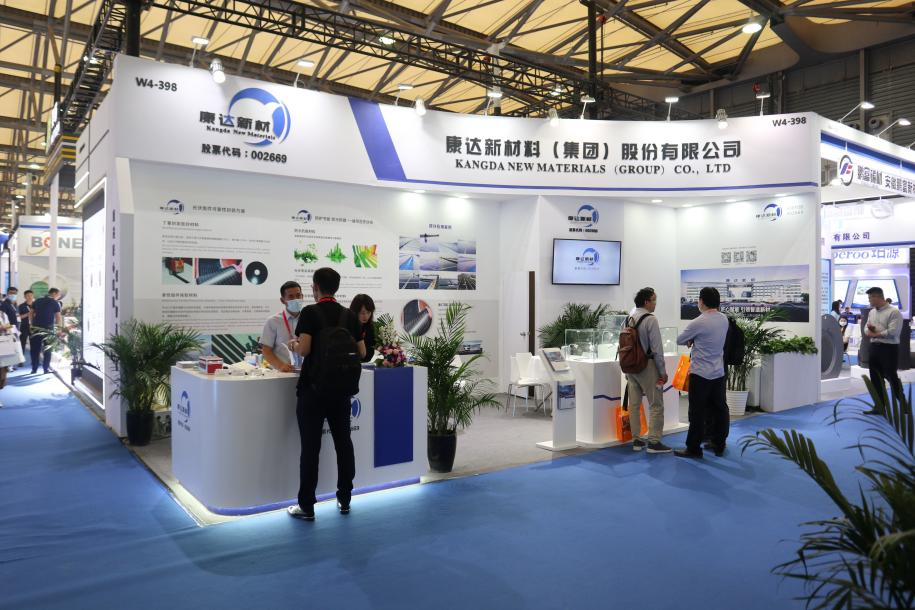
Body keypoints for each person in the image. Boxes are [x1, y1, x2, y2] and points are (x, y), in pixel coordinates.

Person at [288, 268, 366, 521]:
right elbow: (362, 352)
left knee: (311, 448)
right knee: (344, 444)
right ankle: (344, 499)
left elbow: (305, 349)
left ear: (315, 287)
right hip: (341, 391)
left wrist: (294, 345)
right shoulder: (349, 315)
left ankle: (307, 506)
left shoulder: (310, 312)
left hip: (312, 391)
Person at [674, 287, 730, 459]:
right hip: (718, 372)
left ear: (702, 301)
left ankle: (693, 448)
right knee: (720, 409)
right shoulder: (723, 319)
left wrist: (692, 339)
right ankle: (719, 443)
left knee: (697, 412)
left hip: (700, 374)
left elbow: (679, 340)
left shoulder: (699, 322)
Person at [625, 287, 671, 454]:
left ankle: (637, 440)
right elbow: (657, 349)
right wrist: (663, 372)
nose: (655, 304)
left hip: (631, 367)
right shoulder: (650, 319)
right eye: (654, 300)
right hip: (647, 366)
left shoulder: (629, 317)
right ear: (646, 302)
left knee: (634, 405)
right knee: (656, 404)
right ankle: (654, 442)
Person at [863, 286, 903, 412]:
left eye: (870, 298)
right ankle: (879, 407)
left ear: (877, 297)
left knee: (891, 377)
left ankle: (903, 404)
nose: (869, 300)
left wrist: (875, 333)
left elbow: (893, 332)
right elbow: (866, 329)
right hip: (874, 348)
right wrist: (871, 332)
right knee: (875, 378)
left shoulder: (894, 312)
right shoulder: (872, 312)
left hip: (889, 349)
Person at [260, 281, 305, 373]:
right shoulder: (273, 321)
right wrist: (280, 365)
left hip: (306, 372)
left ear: (302, 296)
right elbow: (266, 350)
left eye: (298, 295)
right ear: (282, 300)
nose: (296, 299)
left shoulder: (309, 319)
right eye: (291, 297)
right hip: (282, 373)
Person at [30, 288, 62, 375]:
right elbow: (58, 317)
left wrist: (32, 324)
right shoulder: (55, 302)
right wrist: (59, 329)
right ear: (54, 293)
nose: (59, 296)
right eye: (58, 294)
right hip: (48, 329)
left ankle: (34, 369)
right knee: (47, 349)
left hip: (36, 328)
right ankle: (45, 369)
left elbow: (31, 313)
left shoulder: (37, 301)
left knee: (35, 349)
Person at [349, 293, 376, 363]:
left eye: (368, 312)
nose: (366, 316)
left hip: (366, 364)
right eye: (362, 313)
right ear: (355, 312)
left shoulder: (373, 327)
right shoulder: (347, 326)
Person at [0, 288, 19, 371]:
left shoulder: (13, 304)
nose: (13, 295)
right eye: (11, 293)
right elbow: (2, 318)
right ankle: (8, 366)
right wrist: (7, 328)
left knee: (13, 347)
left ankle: (10, 365)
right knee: (8, 348)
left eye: (15, 293)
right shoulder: (5, 304)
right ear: (7, 293)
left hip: (14, 328)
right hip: (8, 328)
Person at [18, 290, 33, 359]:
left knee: (34, 344)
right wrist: (28, 314)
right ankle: (21, 359)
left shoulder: (36, 305)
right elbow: (19, 317)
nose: (30, 297)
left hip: (34, 327)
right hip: (24, 326)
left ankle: (35, 359)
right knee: (22, 343)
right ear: (24, 297)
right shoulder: (21, 306)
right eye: (28, 296)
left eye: (31, 295)